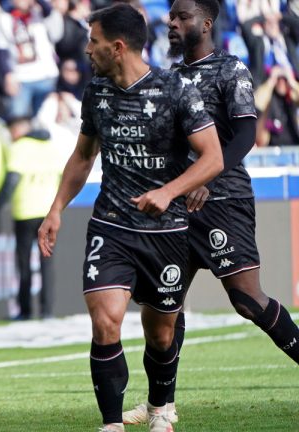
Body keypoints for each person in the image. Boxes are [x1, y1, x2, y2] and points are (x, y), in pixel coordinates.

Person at [36, 4, 223, 432]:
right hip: (111, 225)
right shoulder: (96, 91)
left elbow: (212, 157)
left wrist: (169, 191)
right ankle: (111, 424)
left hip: (166, 231)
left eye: (94, 41)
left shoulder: (175, 89)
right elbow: (84, 156)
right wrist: (55, 210)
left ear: (117, 47)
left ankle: (160, 408)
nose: (87, 49)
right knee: (105, 321)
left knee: (160, 334)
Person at [122, 0, 299, 426]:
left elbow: (244, 134)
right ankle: (159, 406)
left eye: (182, 16)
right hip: (177, 207)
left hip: (223, 200)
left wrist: (207, 178)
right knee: (163, 308)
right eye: (171, 16)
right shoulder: (167, 78)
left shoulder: (230, 69)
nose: (173, 22)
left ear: (205, 22)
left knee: (246, 300)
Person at [0, 117, 65, 320]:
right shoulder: (51, 147)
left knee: (24, 263)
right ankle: (47, 311)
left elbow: (12, 180)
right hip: (48, 214)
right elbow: (62, 179)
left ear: (19, 129)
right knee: (47, 263)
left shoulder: (20, 148)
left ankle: (25, 311)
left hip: (25, 212)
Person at [254, 65, 299, 147]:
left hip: (294, 145)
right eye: (278, 79)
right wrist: (270, 81)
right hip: (271, 148)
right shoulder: (268, 97)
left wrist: (292, 82)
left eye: (284, 79)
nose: (281, 82)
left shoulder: (293, 97)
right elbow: (256, 103)